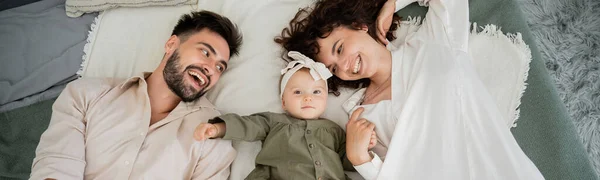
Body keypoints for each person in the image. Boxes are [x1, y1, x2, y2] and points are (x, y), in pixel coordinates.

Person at [275, 0, 545, 179]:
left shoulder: (432, 42)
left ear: (358, 25)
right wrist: (360, 159)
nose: (345, 66)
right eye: (334, 68)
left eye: (340, 48)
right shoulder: (362, 116)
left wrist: (391, 2)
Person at [30, 10, 243, 180]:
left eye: (220, 67)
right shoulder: (85, 95)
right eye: (205, 52)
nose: (211, 69)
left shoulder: (213, 133)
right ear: (171, 45)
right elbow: (56, 166)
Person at [193, 51, 377, 180]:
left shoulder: (334, 131)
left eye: (316, 92)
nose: (307, 97)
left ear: (325, 101)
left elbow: (348, 159)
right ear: (283, 102)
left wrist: (363, 147)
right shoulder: (274, 122)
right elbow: (247, 126)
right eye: (298, 92)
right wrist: (218, 128)